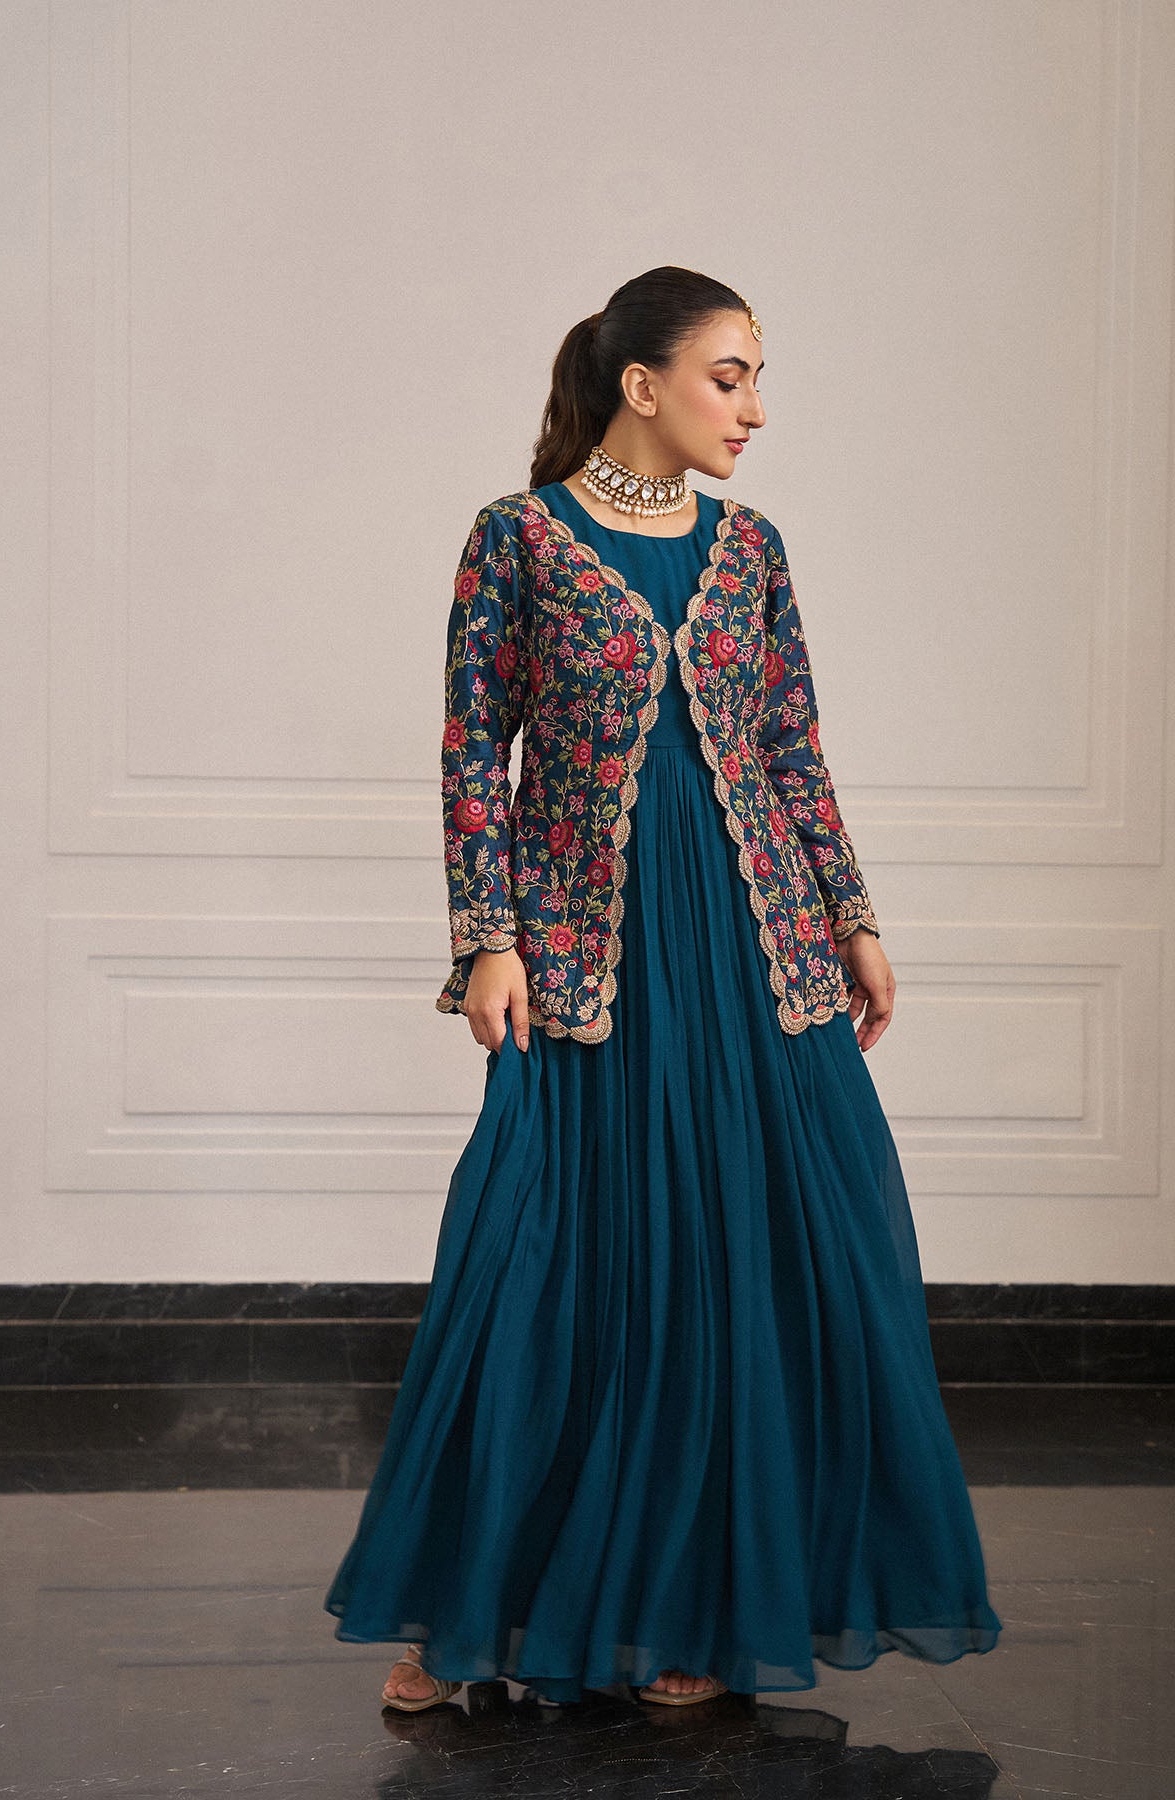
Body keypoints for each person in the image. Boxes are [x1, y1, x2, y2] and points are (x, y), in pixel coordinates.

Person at [324, 265, 1002, 1711]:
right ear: (642, 384)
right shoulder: (518, 537)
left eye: (756, 381)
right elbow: (472, 749)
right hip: (589, 949)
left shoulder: (752, 549)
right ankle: (471, 1611)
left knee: (745, 1261)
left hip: (758, 945)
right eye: (728, 378)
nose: (753, 410)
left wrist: (853, 916)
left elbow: (791, 746)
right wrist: (488, 936)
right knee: (544, 1259)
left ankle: (699, 1608)